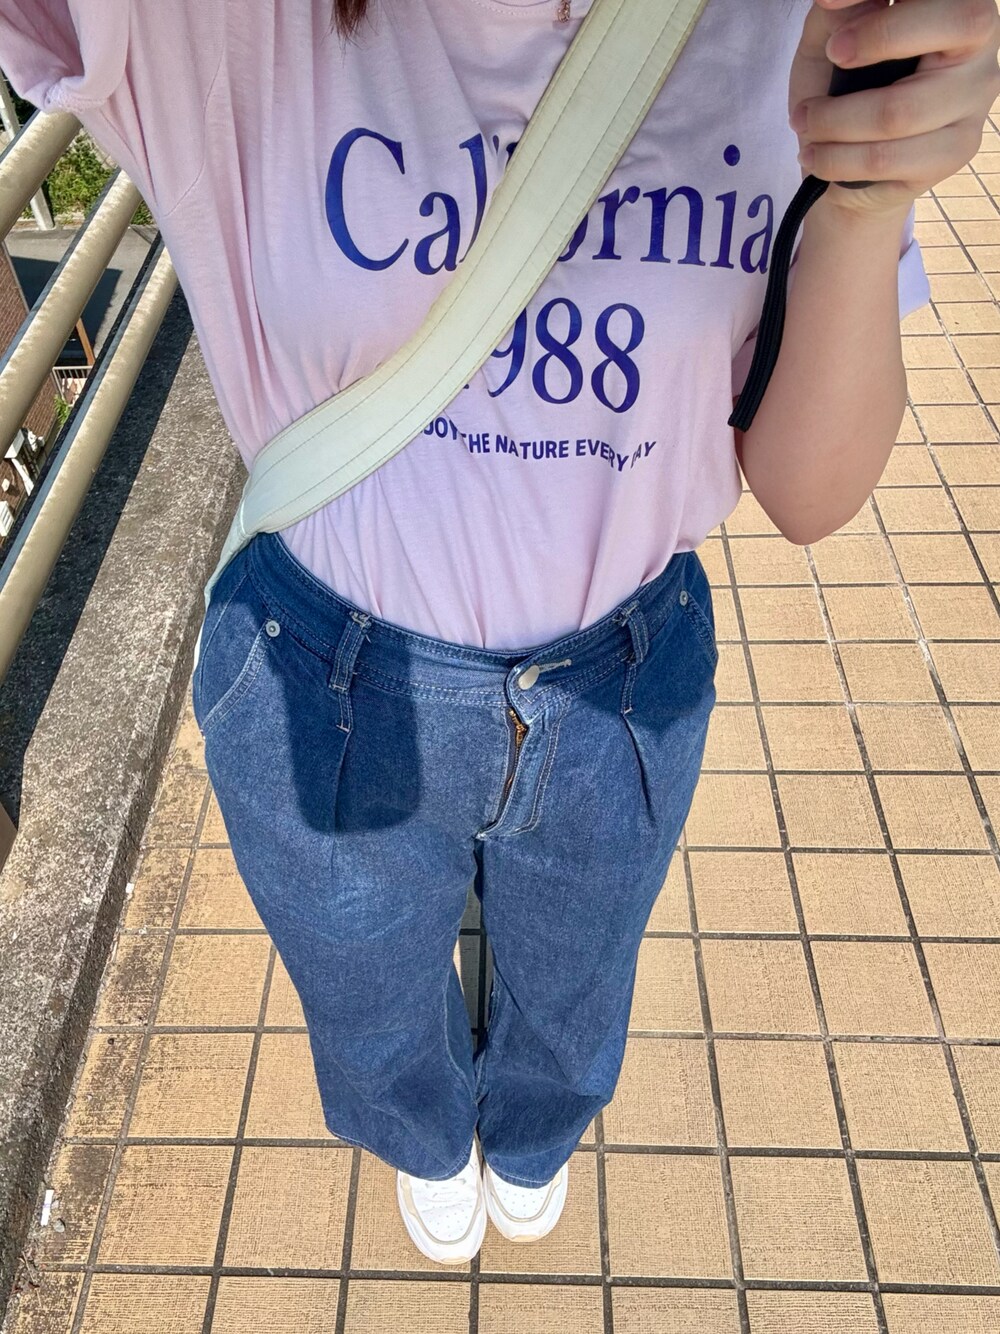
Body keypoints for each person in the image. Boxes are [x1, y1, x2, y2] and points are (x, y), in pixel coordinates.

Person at [2, 0, 997, 1268]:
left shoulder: (792, 28)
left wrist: (865, 203)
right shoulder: (214, 26)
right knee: (363, 985)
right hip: (324, 667)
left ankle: (532, 1132)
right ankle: (424, 1138)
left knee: (579, 969)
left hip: (620, 669)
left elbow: (808, 493)